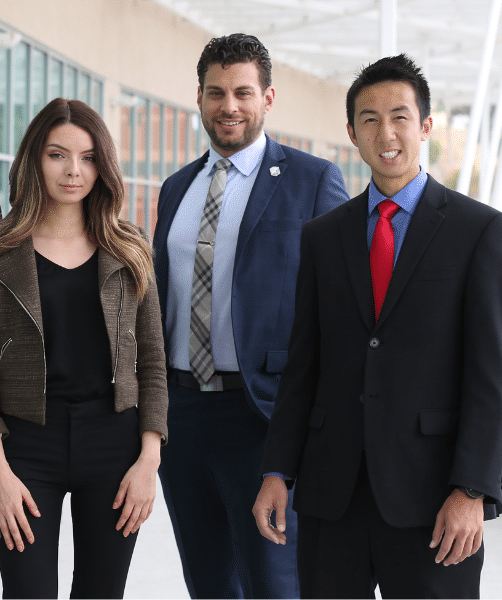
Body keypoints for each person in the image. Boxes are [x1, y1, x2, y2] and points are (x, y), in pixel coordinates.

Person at [254, 54, 502, 598]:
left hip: (433, 498)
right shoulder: (322, 235)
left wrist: (474, 489)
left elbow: (492, 375)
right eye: (369, 119)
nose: (385, 133)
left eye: (399, 117)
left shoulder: (478, 230)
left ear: (426, 126)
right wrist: (278, 472)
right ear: (351, 132)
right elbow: (304, 364)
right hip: (331, 493)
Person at [152, 33, 347, 598]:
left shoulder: (312, 181)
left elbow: (336, 308)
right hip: (181, 417)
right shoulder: (176, 188)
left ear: (268, 98)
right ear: (199, 98)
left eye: (242, 92)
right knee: (208, 581)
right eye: (216, 93)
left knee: (273, 584)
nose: (228, 106)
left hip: (263, 417)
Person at [0, 98, 168, 599]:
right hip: (27, 446)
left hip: (114, 444)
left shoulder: (129, 245)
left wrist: (148, 460)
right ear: (34, 159)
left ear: (104, 166)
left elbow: (152, 362)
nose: (74, 170)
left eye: (89, 157)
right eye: (58, 155)